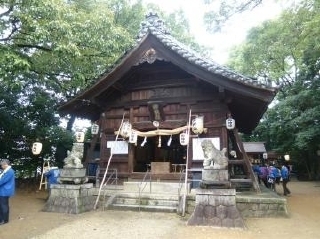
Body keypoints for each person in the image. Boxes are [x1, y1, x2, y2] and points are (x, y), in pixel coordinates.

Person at [0, 159, 15, 225]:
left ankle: (4, 220)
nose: (1, 166)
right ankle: (2, 219)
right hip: (3, 190)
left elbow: (2, 181)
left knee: (4, 205)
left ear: (5, 164)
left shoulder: (10, 171)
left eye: (2, 165)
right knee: (3, 205)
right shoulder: (6, 171)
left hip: (5, 191)